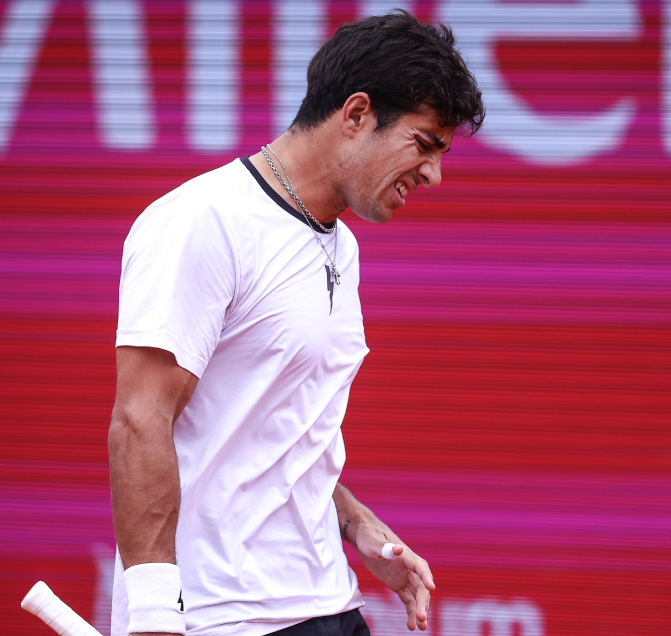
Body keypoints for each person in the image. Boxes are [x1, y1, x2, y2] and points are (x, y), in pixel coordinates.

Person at [108, 10, 484, 636]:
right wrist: (152, 615)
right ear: (357, 114)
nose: (434, 174)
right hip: (220, 619)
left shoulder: (341, 246)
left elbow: (269, 434)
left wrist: (355, 522)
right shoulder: (202, 221)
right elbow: (139, 421)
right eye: (424, 144)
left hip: (325, 604)